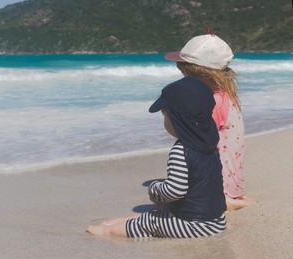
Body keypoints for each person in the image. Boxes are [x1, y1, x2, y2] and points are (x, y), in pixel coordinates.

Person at [87, 77, 227, 238]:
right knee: (155, 215)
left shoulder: (182, 150)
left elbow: (175, 190)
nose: (164, 121)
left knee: (150, 223)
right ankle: (116, 224)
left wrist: (154, 189)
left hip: (193, 226)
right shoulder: (210, 145)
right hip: (216, 221)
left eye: (164, 116)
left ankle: (107, 231)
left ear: (177, 120)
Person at [164, 31, 249, 210]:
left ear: (198, 74)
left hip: (216, 185)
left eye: (185, 74)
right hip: (232, 179)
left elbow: (189, 136)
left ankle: (225, 200)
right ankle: (232, 195)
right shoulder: (226, 95)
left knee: (164, 205)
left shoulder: (211, 102)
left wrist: (168, 117)